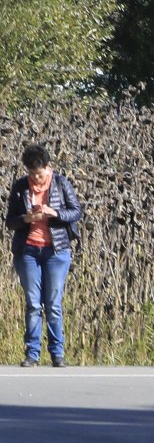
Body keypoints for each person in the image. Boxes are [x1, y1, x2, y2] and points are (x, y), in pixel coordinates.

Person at [6, 143, 81, 367]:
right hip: (28, 250)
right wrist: (25, 219)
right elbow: (10, 221)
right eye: (31, 174)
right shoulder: (20, 187)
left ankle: (57, 353)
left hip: (56, 250)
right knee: (33, 303)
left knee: (53, 304)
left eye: (39, 173)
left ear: (48, 167)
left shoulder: (60, 183)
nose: (36, 178)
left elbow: (76, 211)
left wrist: (54, 212)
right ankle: (32, 353)